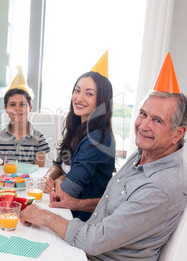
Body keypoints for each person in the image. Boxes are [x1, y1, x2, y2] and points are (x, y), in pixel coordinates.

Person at [20, 53, 187, 260]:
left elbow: (95, 241)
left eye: (157, 120)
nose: (143, 126)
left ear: (178, 133)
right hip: (85, 240)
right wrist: (75, 203)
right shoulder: (145, 153)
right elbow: (113, 202)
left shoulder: (160, 186)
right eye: (143, 114)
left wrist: (45, 216)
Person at [43, 70, 115, 221]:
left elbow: (66, 194)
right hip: (65, 212)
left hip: (82, 221)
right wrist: (48, 178)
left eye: (89, 94)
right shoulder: (78, 127)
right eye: (77, 90)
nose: (79, 98)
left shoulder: (97, 139)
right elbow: (59, 163)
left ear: (102, 101)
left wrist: (61, 181)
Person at [0, 67, 50, 167]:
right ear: (5, 108)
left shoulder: (40, 140)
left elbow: (38, 172)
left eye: (22, 104)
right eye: (12, 105)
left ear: (30, 108)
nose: (17, 109)